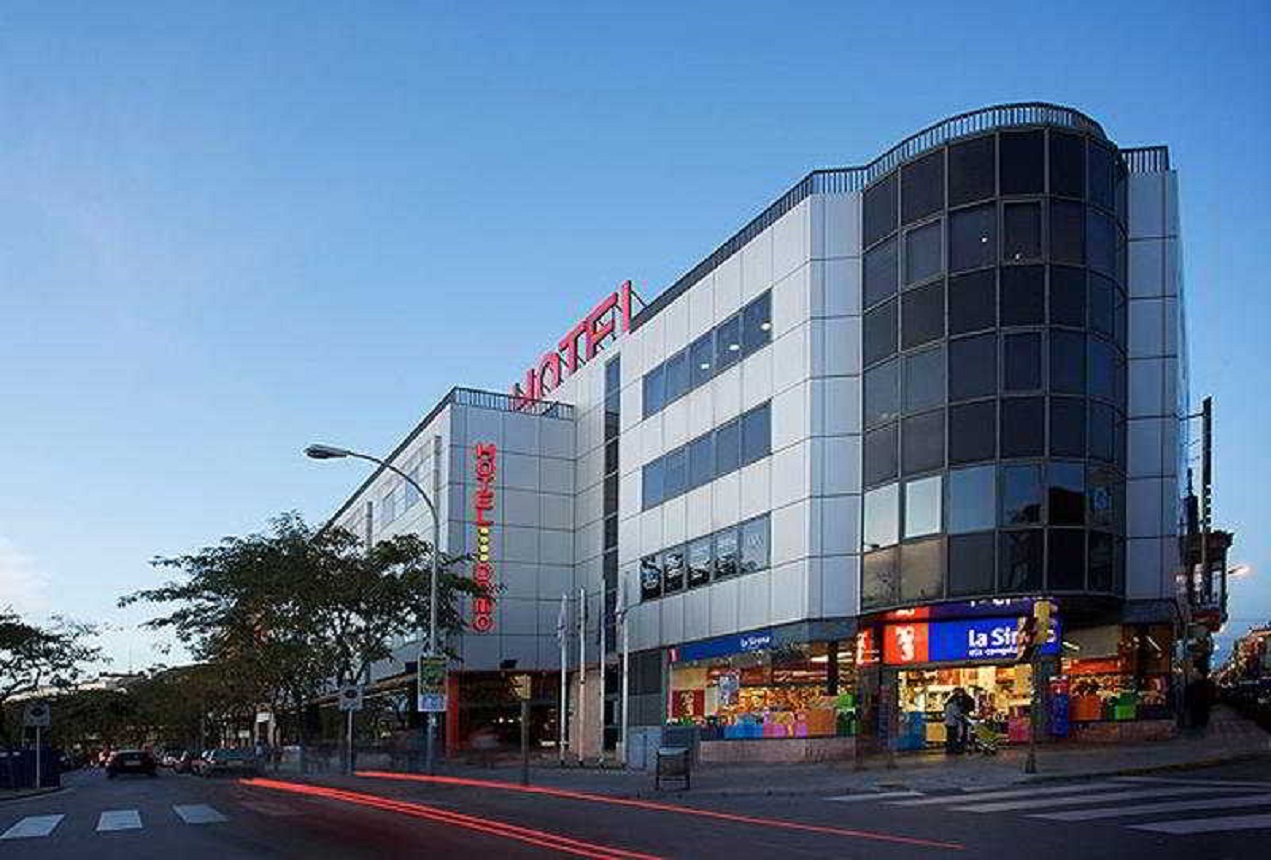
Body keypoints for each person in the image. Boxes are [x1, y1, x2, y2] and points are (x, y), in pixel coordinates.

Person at [943, 690, 964, 754]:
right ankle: (953, 749)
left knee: (949, 737)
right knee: (953, 737)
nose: (960, 700)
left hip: (948, 723)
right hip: (952, 723)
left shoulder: (948, 705)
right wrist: (961, 715)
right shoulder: (953, 706)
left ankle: (949, 749)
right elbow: (956, 715)